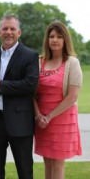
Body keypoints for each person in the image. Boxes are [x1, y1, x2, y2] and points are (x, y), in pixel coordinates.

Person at [0, 14, 39, 179]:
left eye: (12, 29)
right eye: (5, 28)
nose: (8, 32)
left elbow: (30, 85)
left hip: (20, 123)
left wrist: (0, 84)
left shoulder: (30, 55)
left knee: (25, 171)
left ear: (19, 32)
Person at [34, 21, 82, 179]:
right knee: (47, 161)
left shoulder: (72, 63)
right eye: (52, 36)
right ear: (47, 39)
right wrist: (38, 115)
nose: (55, 40)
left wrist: (49, 116)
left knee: (58, 163)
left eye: (59, 37)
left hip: (62, 119)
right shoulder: (39, 62)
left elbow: (72, 96)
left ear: (65, 40)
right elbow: (31, 93)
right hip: (41, 120)